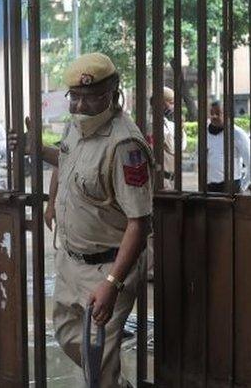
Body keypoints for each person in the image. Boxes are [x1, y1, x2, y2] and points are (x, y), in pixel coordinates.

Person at [50, 52, 152, 387]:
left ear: (112, 95)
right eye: (74, 98)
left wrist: (112, 284)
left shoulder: (125, 145)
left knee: (98, 371)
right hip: (71, 261)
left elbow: (140, 222)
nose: (79, 107)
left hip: (107, 267)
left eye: (90, 99)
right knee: (67, 336)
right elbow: (66, 161)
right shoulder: (75, 127)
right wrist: (52, 202)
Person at [205, 99, 251, 193]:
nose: (214, 116)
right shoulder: (205, 133)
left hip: (231, 185)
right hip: (210, 186)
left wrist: (243, 187)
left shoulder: (237, 134)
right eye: (211, 113)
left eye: (218, 113)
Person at [149, 86, 186, 184]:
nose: (172, 107)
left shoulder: (170, 124)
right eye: (170, 103)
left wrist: (180, 128)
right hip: (159, 179)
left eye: (173, 103)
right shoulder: (150, 126)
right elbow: (172, 148)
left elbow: (182, 147)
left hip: (173, 179)